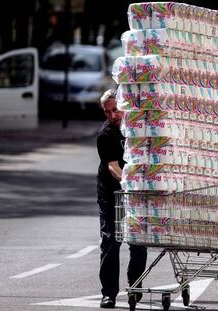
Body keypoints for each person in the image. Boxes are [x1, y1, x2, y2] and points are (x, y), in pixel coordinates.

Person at [97, 89, 147, 308]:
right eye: (108, 112)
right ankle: (108, 293)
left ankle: (135, 286)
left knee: (137, 242)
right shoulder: (105, 134)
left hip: (134, 193)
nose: (113, 115)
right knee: (110, 240)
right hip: (111, 194)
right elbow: (113, 167)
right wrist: (129, 184)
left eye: (116, 110)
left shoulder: (136, 129)